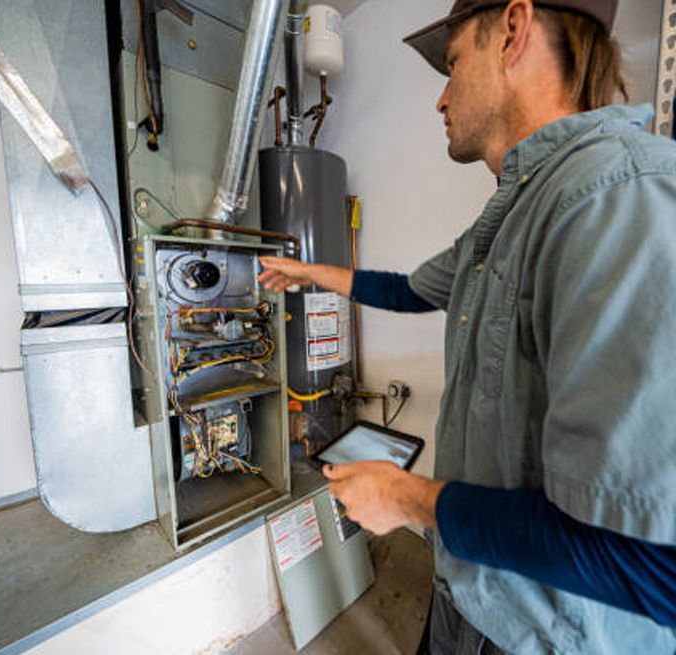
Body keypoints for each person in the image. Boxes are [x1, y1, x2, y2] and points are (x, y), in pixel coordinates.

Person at [259, 1, 676, 653]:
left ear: (513, 31)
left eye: (452, 65)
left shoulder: (617, 197)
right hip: (469, 593)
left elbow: (655, 569)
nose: (441, 98)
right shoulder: (506, 218)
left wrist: (409, 499)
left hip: (548, 634)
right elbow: (404, 290)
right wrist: (310, 274)